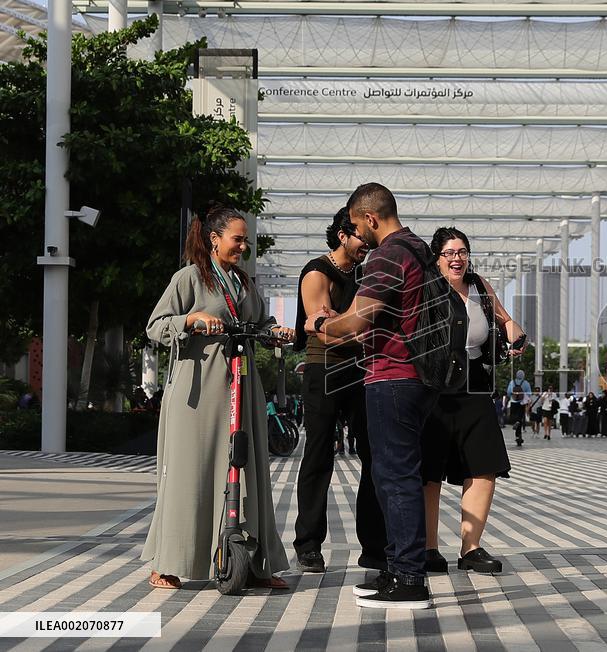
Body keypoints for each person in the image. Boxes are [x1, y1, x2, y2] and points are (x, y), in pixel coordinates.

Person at [142, 204, 292, 591]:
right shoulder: (189, 279)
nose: (243, 246)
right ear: (214, 239)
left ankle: (256, 563)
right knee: (191, 473)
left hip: (241, 387)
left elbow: (260, 323)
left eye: (246, 240)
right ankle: (168, 563)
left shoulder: (245, 283)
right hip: (198, 393)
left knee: (250, 468)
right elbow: (156, 327)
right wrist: (190, 321)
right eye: (237, 239)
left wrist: (277, 332)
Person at [305, 183, 438, 609]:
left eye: (360, 225)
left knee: (396, 478)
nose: (361, 235)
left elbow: (358, 323)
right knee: (392, 475)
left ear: (370, 218)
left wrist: (321, 325)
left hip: (393, 376)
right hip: (416, 376)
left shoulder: (388, 253)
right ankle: (397, 569)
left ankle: (409, 579)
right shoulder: (419, 249)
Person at [420, 227, 525, 576]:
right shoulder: (426, 287)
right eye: (449, 252)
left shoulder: (479, 285)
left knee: (484, 465)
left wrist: (517, 335)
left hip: (476, 385)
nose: (457, 258)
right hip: (433, 387)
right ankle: (427, 548)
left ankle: (471, 548)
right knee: (429, 469)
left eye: (462, 251)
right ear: (437, 257)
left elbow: (506, 320)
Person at [292, 206, 386, 575]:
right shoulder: (317, 272)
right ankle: (308, 544)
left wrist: (344, 321)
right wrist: (353, 323)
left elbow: (350, 324)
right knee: (319, 455)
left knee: (373, 454)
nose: (368, 243)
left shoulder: (366, 275)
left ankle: (375, 545)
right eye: (363, 236)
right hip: (324, 370)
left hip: (362, 370)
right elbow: (319, 325)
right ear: (343, 234)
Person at [506, 370, 532, 446]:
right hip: (521, 403)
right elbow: (529, 393)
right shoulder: (526, 383)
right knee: (520, 419)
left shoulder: (512, 382)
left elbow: (508, 392)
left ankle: (517, 436)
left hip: (513, 402)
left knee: (513, 417)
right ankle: (519, 436)